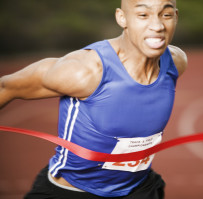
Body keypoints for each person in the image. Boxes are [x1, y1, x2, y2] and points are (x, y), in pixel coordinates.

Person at [0, 0, 187, 198]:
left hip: (139, 189)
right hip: (70, 192)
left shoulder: (175, 62)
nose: (157, 26)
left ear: (176, 16)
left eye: (166, 15)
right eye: (143, 15)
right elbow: (6, 86)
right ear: (122, 18)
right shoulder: (84, 71)